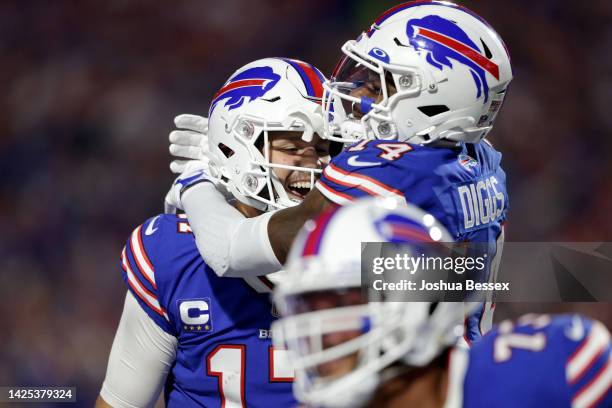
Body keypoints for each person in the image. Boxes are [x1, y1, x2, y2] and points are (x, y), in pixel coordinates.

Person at [166, 0, 512, 342]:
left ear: (435, 103)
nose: (357, 93)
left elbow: (230, 253)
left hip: (419, 379)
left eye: (377, 87)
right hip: (467, 365)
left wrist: (198, 181)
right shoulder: (481, 159)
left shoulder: (383, 173)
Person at [96, 58, 330, 408]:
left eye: (325, 149)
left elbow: (443, 280)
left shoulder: (367, 241)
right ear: (238, 149)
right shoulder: (173, 253)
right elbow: (120, 402)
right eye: (293, 148)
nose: (312, 165)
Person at [272, 196, 612, 408]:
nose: (321, 335)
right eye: (308, 309)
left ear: (420, 299)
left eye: (340, 305)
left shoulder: (546, 374)